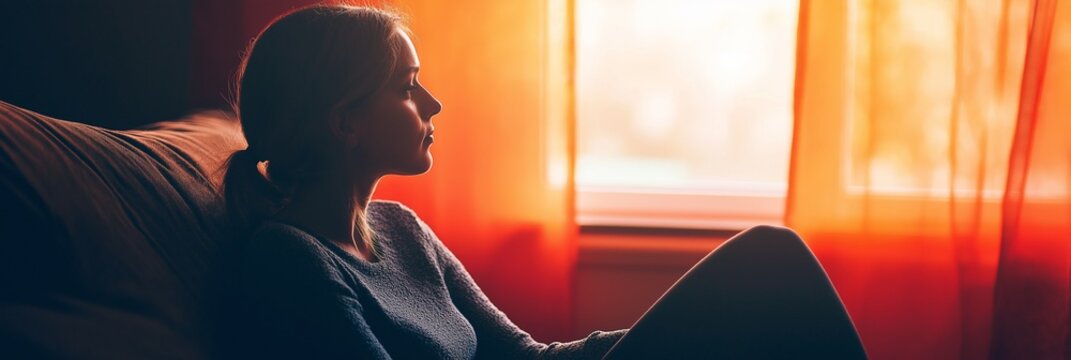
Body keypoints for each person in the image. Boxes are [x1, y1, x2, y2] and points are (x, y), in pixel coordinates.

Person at [222, 4, 868, 359]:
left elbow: (523, 358)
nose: (433, 104)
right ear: (345, 122)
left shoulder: (401, 228)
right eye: (406, 87)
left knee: (764, 277)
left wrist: (672, 334)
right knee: (768, 259)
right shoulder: (290, 261)